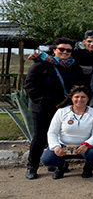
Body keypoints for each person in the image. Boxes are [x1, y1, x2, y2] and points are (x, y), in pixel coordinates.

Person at [24, 37, 84, 180]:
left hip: (66, 109)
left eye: (68, 50)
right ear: (54, 50)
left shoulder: (74, 67)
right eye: (61, 49)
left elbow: (80, 86)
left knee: (61, 137)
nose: (64, 52)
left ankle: (57, 163)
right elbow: (29, 85)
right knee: (40, 137)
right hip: (43, 107)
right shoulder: (40, 65)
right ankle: (32, 165)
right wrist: (43, 100)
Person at [40, 86, 93, 179]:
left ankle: (88, 167)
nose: (80, 99)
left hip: (84, 146)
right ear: (72, 98)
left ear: (88, 98)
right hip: (63, 145)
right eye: (76, 97)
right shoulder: (61, 112)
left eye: (83, 97)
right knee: (46, 159)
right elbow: (52, 132)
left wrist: (86, 144)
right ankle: (61, 167)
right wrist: (56, 147)